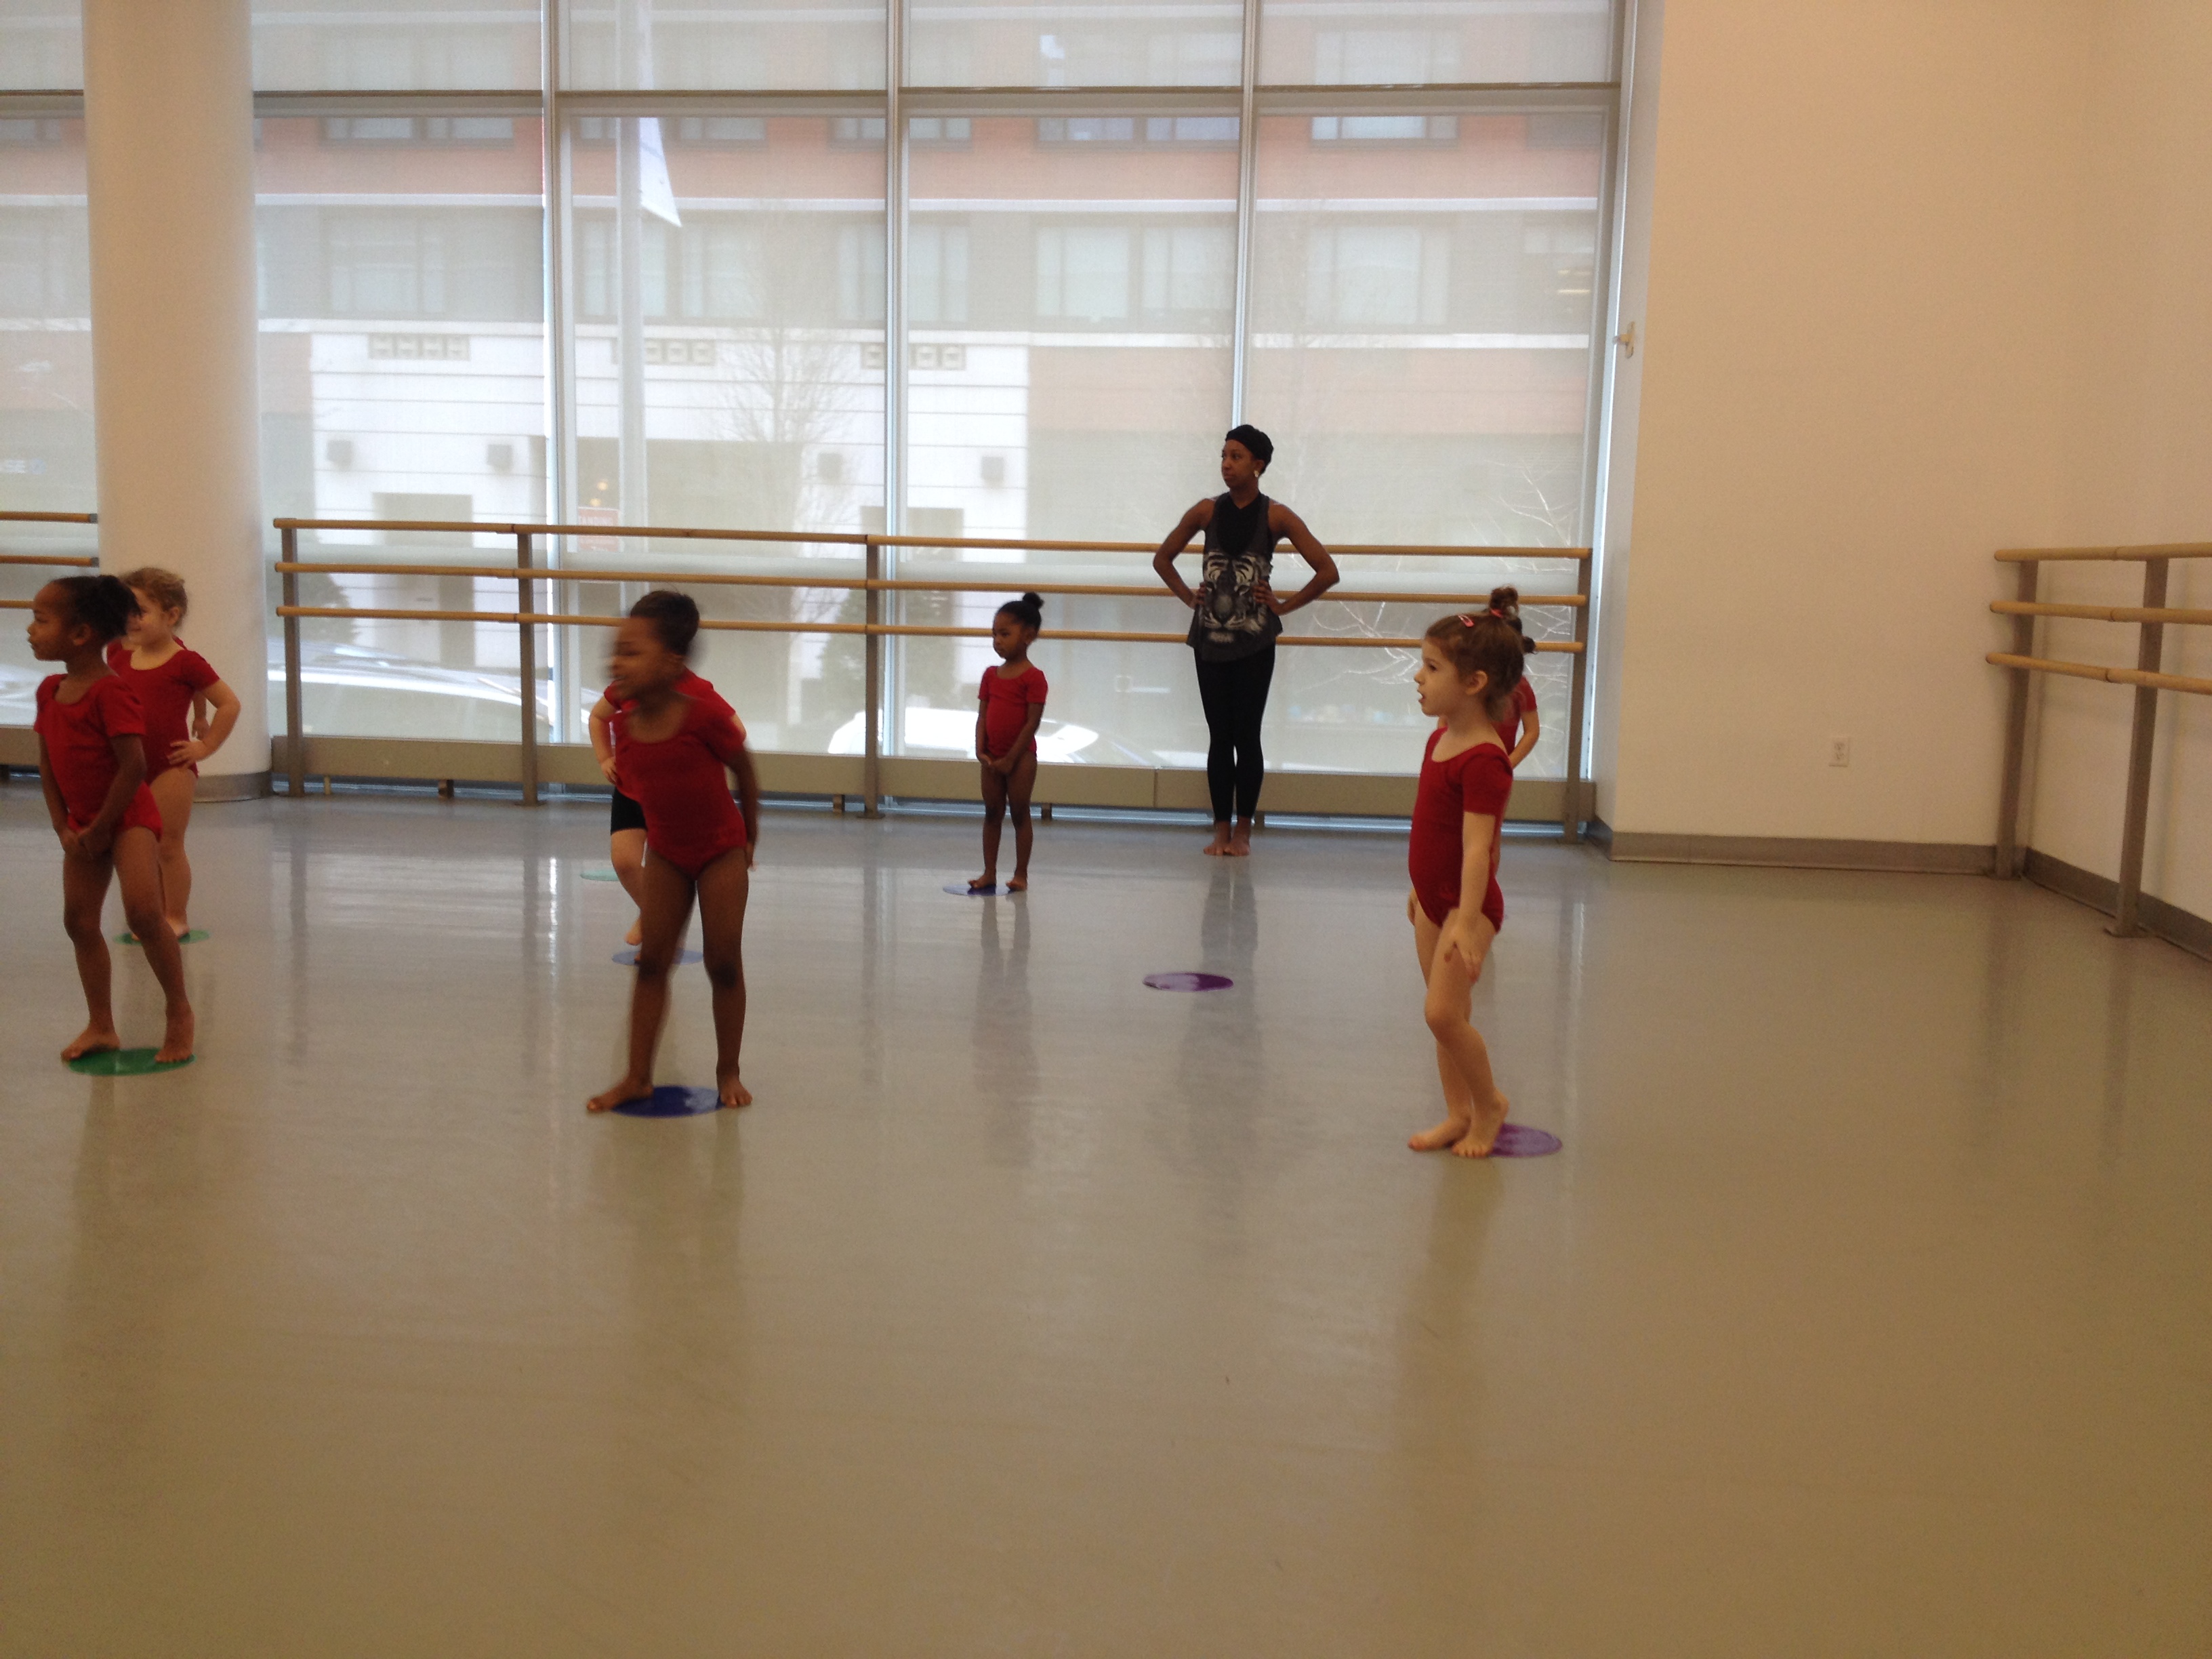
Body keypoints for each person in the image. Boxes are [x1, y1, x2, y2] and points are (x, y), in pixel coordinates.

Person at [588, 592, 760, 1114]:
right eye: (616, 651)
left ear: (672, 663)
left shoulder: (702, 715)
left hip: (720, 852)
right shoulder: (623, 727)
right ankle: (637, 1077)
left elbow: (745, 770)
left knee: (722, 963)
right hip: (667, 856)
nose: (617, 662)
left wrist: (748, 837)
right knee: (652, 965)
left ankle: (728, 1070)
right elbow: (648, 789)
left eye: (632, 652)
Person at [26, 576, 194, 1065]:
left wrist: (102, 826)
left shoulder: (110, 692)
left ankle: (179, 1011)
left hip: (127, 818)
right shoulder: (49, 690)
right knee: (79, 921)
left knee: (144, 913)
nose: (30, 630)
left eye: (41, 620)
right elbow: (47, 763)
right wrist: (62, 825)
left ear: (81, 634)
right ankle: (101, 1024)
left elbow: (134, 767)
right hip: (81, 823)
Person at [1152, 424, 1338, 856]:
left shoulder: (1277, 516)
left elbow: (1327, 570)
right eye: (1223, 456)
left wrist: (1283, 606)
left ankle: (1244, 833)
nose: (1226, 464)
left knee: (1246, 735)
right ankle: (1220, 831)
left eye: (1236, 457)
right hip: (1209, 642)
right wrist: (1189, 597)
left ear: (1258, 465)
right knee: (1219, 736)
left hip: (1255, 642)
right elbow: (1163, 558)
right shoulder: (1205, 511)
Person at [1404, 609, 1524, 1158]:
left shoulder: (1485, 760)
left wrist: (1467, 922)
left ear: (1474, 683)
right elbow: (1433, 826)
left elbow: (1478, 849)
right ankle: (1458, 1113)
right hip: (1433, 900)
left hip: (1465, 907)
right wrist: (1420, 887)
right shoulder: (1440, 739)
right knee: (1447, 1020)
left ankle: (1489, 1104)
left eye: (1432, 668)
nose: (1419, 677)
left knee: (1442, 1013)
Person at [106, 567, 243, 939]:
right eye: (125, 611)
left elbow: (229, 703)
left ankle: (176, 915)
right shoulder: (117, 654)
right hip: (128, 767)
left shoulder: (185, 661)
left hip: (171, 767)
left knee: (167, 845)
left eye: (140, 611)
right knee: (138, 848)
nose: (131, 620)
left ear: (171, 616)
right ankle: (148, 914)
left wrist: (205, 745)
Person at [587, 613, 737, 949]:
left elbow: (734, 732)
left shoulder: (697, 692)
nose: (619, 662)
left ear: (671, 656)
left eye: (633, 651)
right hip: (630, 788)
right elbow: (598, 717)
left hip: (669, 798)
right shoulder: (626, 687)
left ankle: (661, 926)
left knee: (666, 870)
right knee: (624, 861)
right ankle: (656, 916)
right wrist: (605, 758)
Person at [970, 592, 1047, 893]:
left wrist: (1012, 759)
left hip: (1021, 757)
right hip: (992, 756)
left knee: (1019, 812)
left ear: (1028, 636)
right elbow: (982, 716)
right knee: (992, 812)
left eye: (1005, 634)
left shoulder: (1034, 678)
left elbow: (1032, 723)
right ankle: (989, 872)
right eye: (994, 634)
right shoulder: (990, 675)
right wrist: (980, 749)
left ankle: (1021, 874)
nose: (997, 641)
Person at [1485, 586, 1541, 769]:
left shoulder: (1519, 686)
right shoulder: (1464, 680)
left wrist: (1508, 764)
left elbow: (1532, 731)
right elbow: (1445, 720)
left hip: (1497, 765)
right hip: (1460, 762)